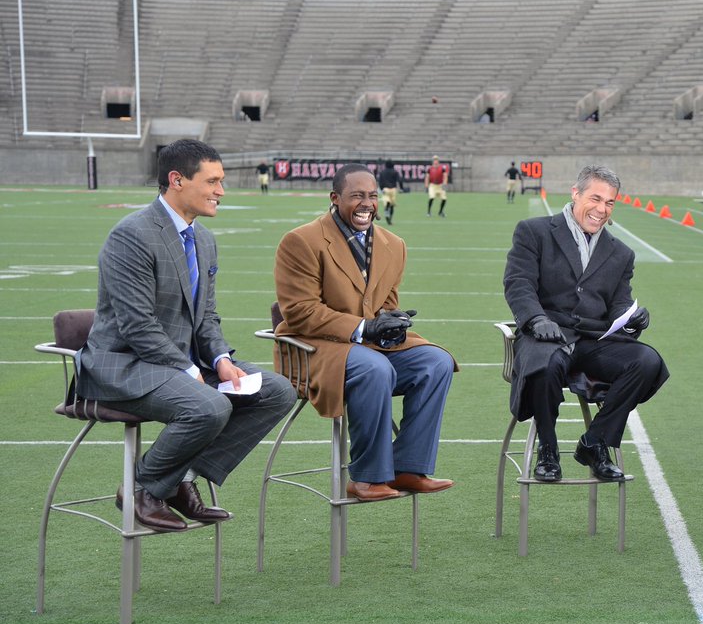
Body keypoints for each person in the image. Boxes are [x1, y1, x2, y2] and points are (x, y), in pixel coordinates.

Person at [76, 139, 295, 532]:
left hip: (179, 360)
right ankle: (140, 488)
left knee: (278, 391)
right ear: (177, 180)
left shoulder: (203, 239)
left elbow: (205, 316)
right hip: (125, 364)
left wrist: (220, 361)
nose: (221, 192)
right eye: (212, 181)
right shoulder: (132, 236)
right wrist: (186, 369)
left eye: (221, 181)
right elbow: (137, 325)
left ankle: (181, 480)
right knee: (208, 406)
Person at [274, 164, 457, 501]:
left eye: (372, 196)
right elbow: (299, 312)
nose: (367, 203)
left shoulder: (393, 244)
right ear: (335, 198)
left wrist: (390, 323)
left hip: (369, 349)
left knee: (437, 361)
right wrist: (363, 327)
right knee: (375, 369)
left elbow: (384, 303)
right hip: (314, 351)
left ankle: (408, 467)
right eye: (356, 196)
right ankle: (366, 477)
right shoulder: (301, 240)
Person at [503, 165, 669, 482]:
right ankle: (548, 451)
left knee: (647, 361)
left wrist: (632, 318)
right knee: (547, 364)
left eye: (610, 202)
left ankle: (595, 442)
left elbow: (620, 300)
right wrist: (536, 319)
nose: (602, 209)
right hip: (546, 337)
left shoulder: (621, 253)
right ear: (575, 193)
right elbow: (518, 283)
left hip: (594, 341)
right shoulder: (533, 232)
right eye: (596, 198)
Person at [378, 160, 402, 225]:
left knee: (387, 202)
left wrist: (381, 188)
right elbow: (399, 180)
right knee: (392, 205)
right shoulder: (395, 172)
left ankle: (386, 212)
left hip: (385, 189)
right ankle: (390, 219)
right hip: (393, 189)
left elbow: (380, 181)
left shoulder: (382, 172)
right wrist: (401, 188)